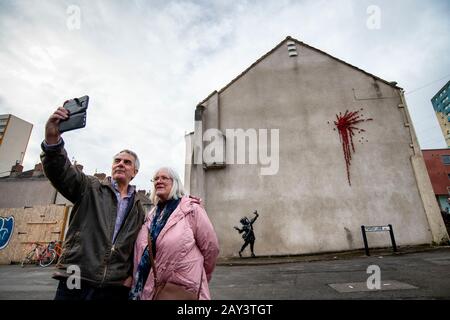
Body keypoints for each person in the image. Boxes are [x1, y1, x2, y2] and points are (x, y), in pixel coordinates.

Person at [41, 105, 145, 300]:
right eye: (117, 160)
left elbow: (137, 246)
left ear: (135, 173)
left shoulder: (138, 208)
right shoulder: (90, 187)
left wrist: (131, 276)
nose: (121, 164)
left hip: (114, 286)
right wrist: (52, 140)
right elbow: (60, 171)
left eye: (127, 162)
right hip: (76, 277)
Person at [129, 167, 219, 300]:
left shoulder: (191, 210)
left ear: (175, 183)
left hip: (182, 290)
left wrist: (198, 276)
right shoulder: (152, 215)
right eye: (156, 178)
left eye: (164, 178)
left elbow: (211, 248)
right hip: (149, 290)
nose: (159, 181)